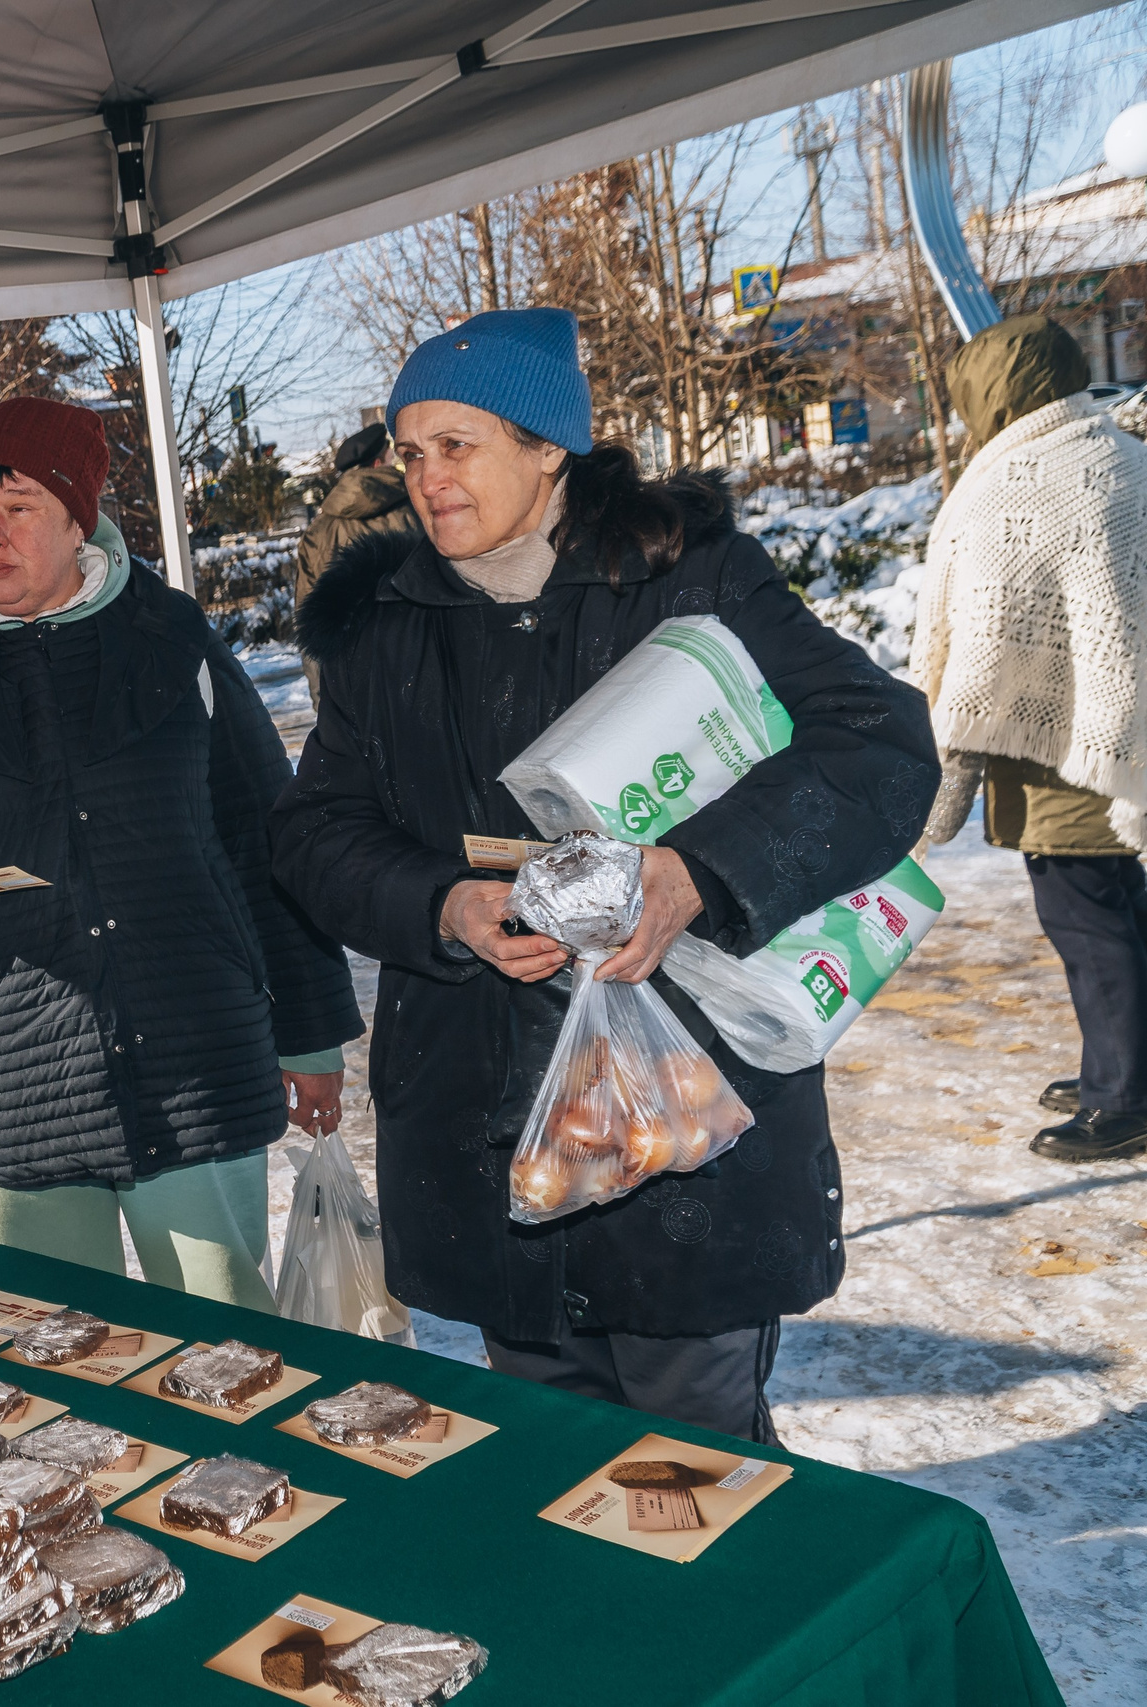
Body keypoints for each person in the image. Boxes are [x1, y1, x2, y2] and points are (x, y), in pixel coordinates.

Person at [269, 308, 936, 1442]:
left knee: (697, 1457)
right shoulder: (385, 631)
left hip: (683, 1120)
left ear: (546, 446)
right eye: (411, 450)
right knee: (541, 1452)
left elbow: (878, 745)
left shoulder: (690, 580)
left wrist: (698, 873)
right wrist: (441, 905)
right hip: (485, 1117)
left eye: (458, 443)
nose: (428, 478)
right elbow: (314, 833)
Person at [0, 396, 362, 1308]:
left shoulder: (172, 638)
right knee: (64, 1365)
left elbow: (268, 839)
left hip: (195, 1060)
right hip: (7, 1070)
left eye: (18, 508)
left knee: (234, 1345)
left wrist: (309, 1031)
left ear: (79, 521)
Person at [913, 314, 1147, 1163]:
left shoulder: (1008, 485)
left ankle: (1119, 1099)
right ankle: (1122, 1066)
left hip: (1056, 748)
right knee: (1125, 906)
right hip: (1127, 728)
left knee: (1085, 919)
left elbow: (976, 656)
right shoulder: (1124, 451)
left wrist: (937, 791)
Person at [288, 421, 420, 706]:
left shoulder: (318, 531)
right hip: (418, 675)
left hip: (347, 686)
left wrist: (323, 702)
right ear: (378, 462)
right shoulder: (418, 510)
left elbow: (308, 620)